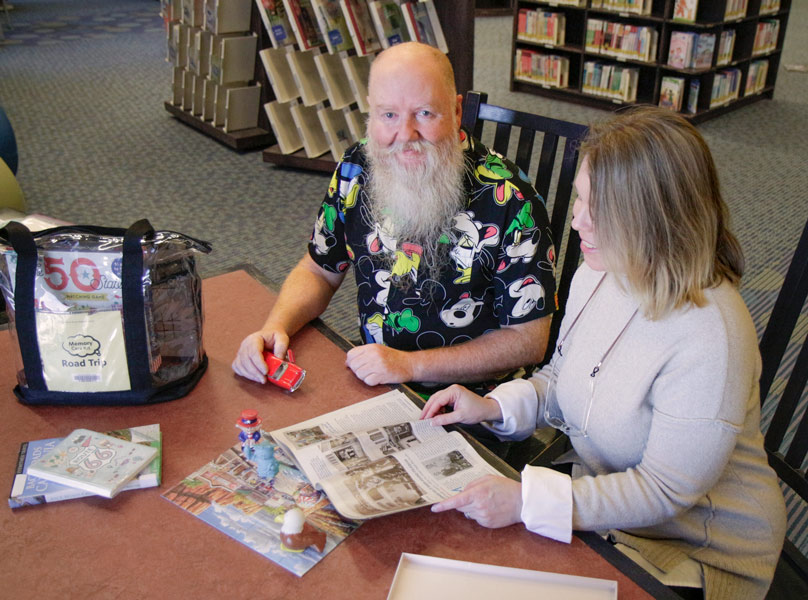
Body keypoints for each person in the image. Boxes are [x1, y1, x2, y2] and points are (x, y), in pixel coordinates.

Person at [421, 107, 786, 600]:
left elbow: (664, 491)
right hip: (604, 505)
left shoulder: (711, 335)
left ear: (653, 219)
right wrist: (494, 406)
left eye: (597, 209)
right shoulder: (602, 268)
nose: (575, 221)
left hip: (694, 548)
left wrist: (530, 501)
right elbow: (562, 376)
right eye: (579, 199)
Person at [232, 42, 556, 395]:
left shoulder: (511, 200)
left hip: (476, 401)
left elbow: (528, 341)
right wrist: (276, 326)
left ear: (457, 110)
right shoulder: (358, 167)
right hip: (374, 379)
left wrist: (408, 365)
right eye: (389, 115)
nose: (406, 136)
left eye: (425, 114)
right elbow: (318, 270)